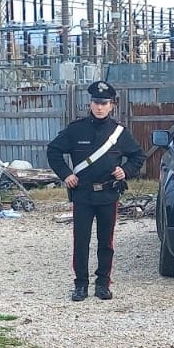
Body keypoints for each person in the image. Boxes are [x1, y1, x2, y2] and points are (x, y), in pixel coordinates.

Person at [47, 81, 146, 301]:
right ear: (90, 104)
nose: (99, 107)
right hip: (82, 194)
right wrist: (66, 174)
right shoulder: (76, 129)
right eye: (96, 102)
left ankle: (103, 283)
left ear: (112, 105)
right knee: (81, 241)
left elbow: (139, 156)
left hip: (108, 194)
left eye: (104, 103)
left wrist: (125, 170)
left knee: (106, 243)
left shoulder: (119, 133)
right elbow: (53, 150)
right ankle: (80, 285)